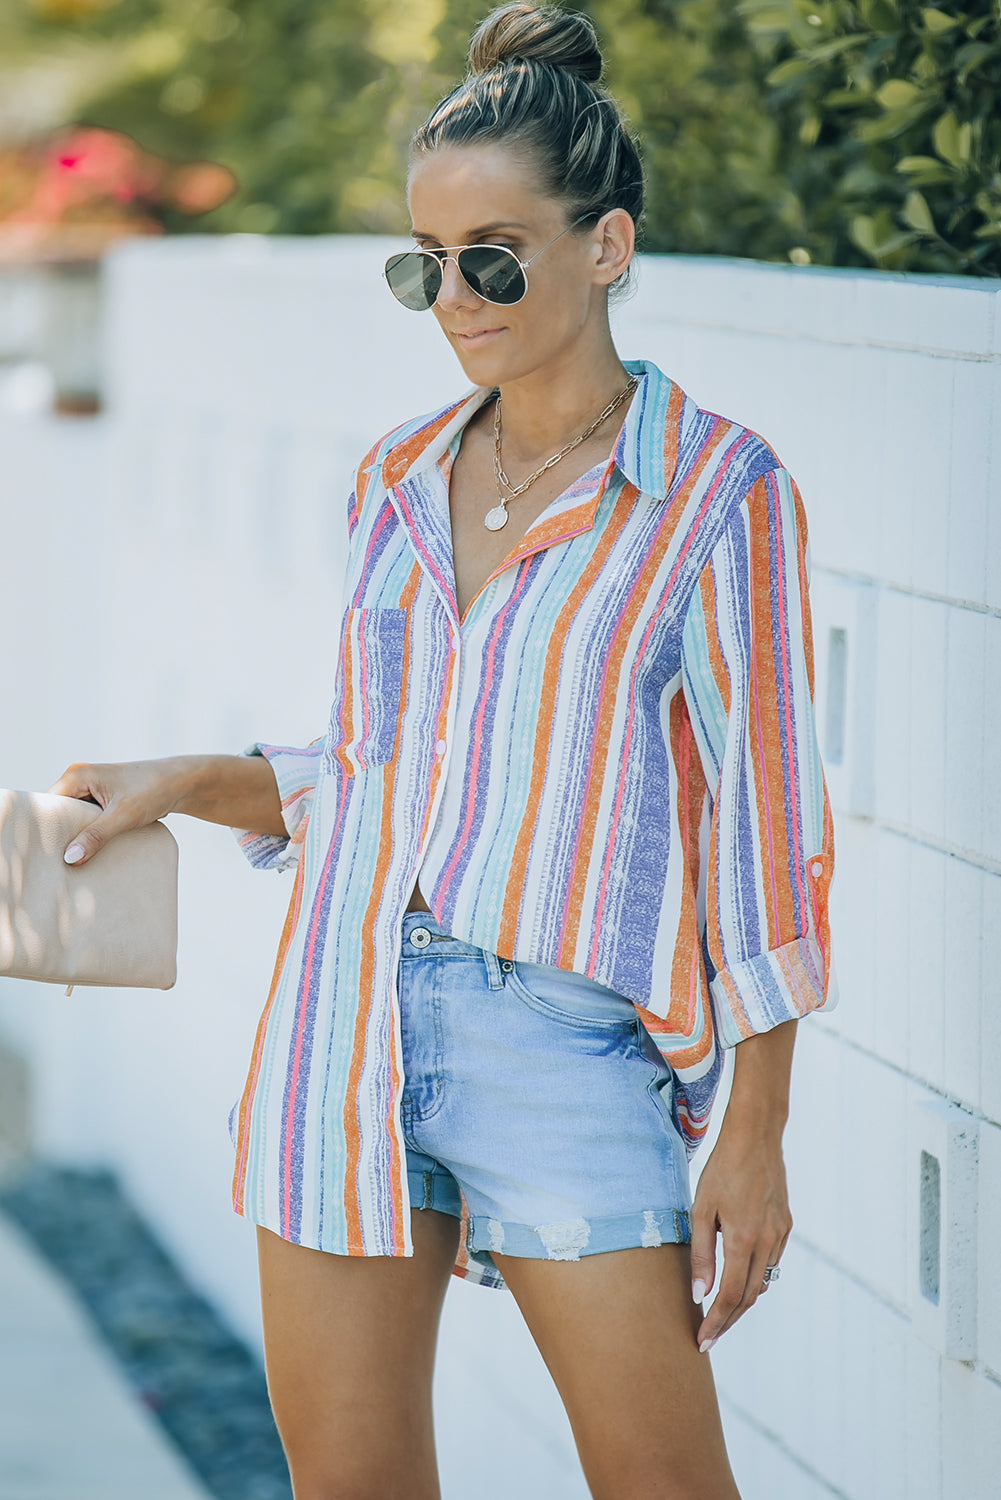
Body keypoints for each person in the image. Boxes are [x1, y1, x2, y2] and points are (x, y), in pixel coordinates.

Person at [53, 6, 835, 1496]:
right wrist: (181, 777)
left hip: (563, 1043)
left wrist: (756, 1131)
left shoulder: (717, 494)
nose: (454, 299)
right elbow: (371, 770)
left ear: (604, 246)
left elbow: (766, 829)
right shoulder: (396, 477)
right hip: (337, 1025)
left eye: (493, 257)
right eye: (423, 265)